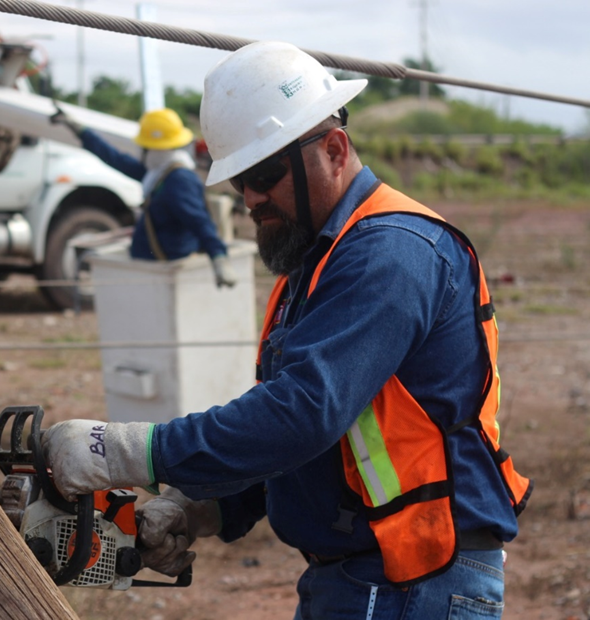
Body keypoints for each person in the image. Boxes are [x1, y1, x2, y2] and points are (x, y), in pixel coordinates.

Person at [41, 41, 533, 618]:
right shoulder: (316, 264)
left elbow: (303, 414)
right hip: (365, 576)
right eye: (238, 180)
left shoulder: (391, 253)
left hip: (414, 578)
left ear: (334, 148)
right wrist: (204, 507)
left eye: (266, 172)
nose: (251, 197)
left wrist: (124, 451)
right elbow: (312, 442)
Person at [52, 106, 237, 288]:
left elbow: (200, 222)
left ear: (157, 149)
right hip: (154, 263)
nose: (142, 153)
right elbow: (115, 158)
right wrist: (79, 130)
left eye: (145, 148)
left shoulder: (178, 181)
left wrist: (219, 257)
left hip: (163, 268)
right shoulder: (158, 173)